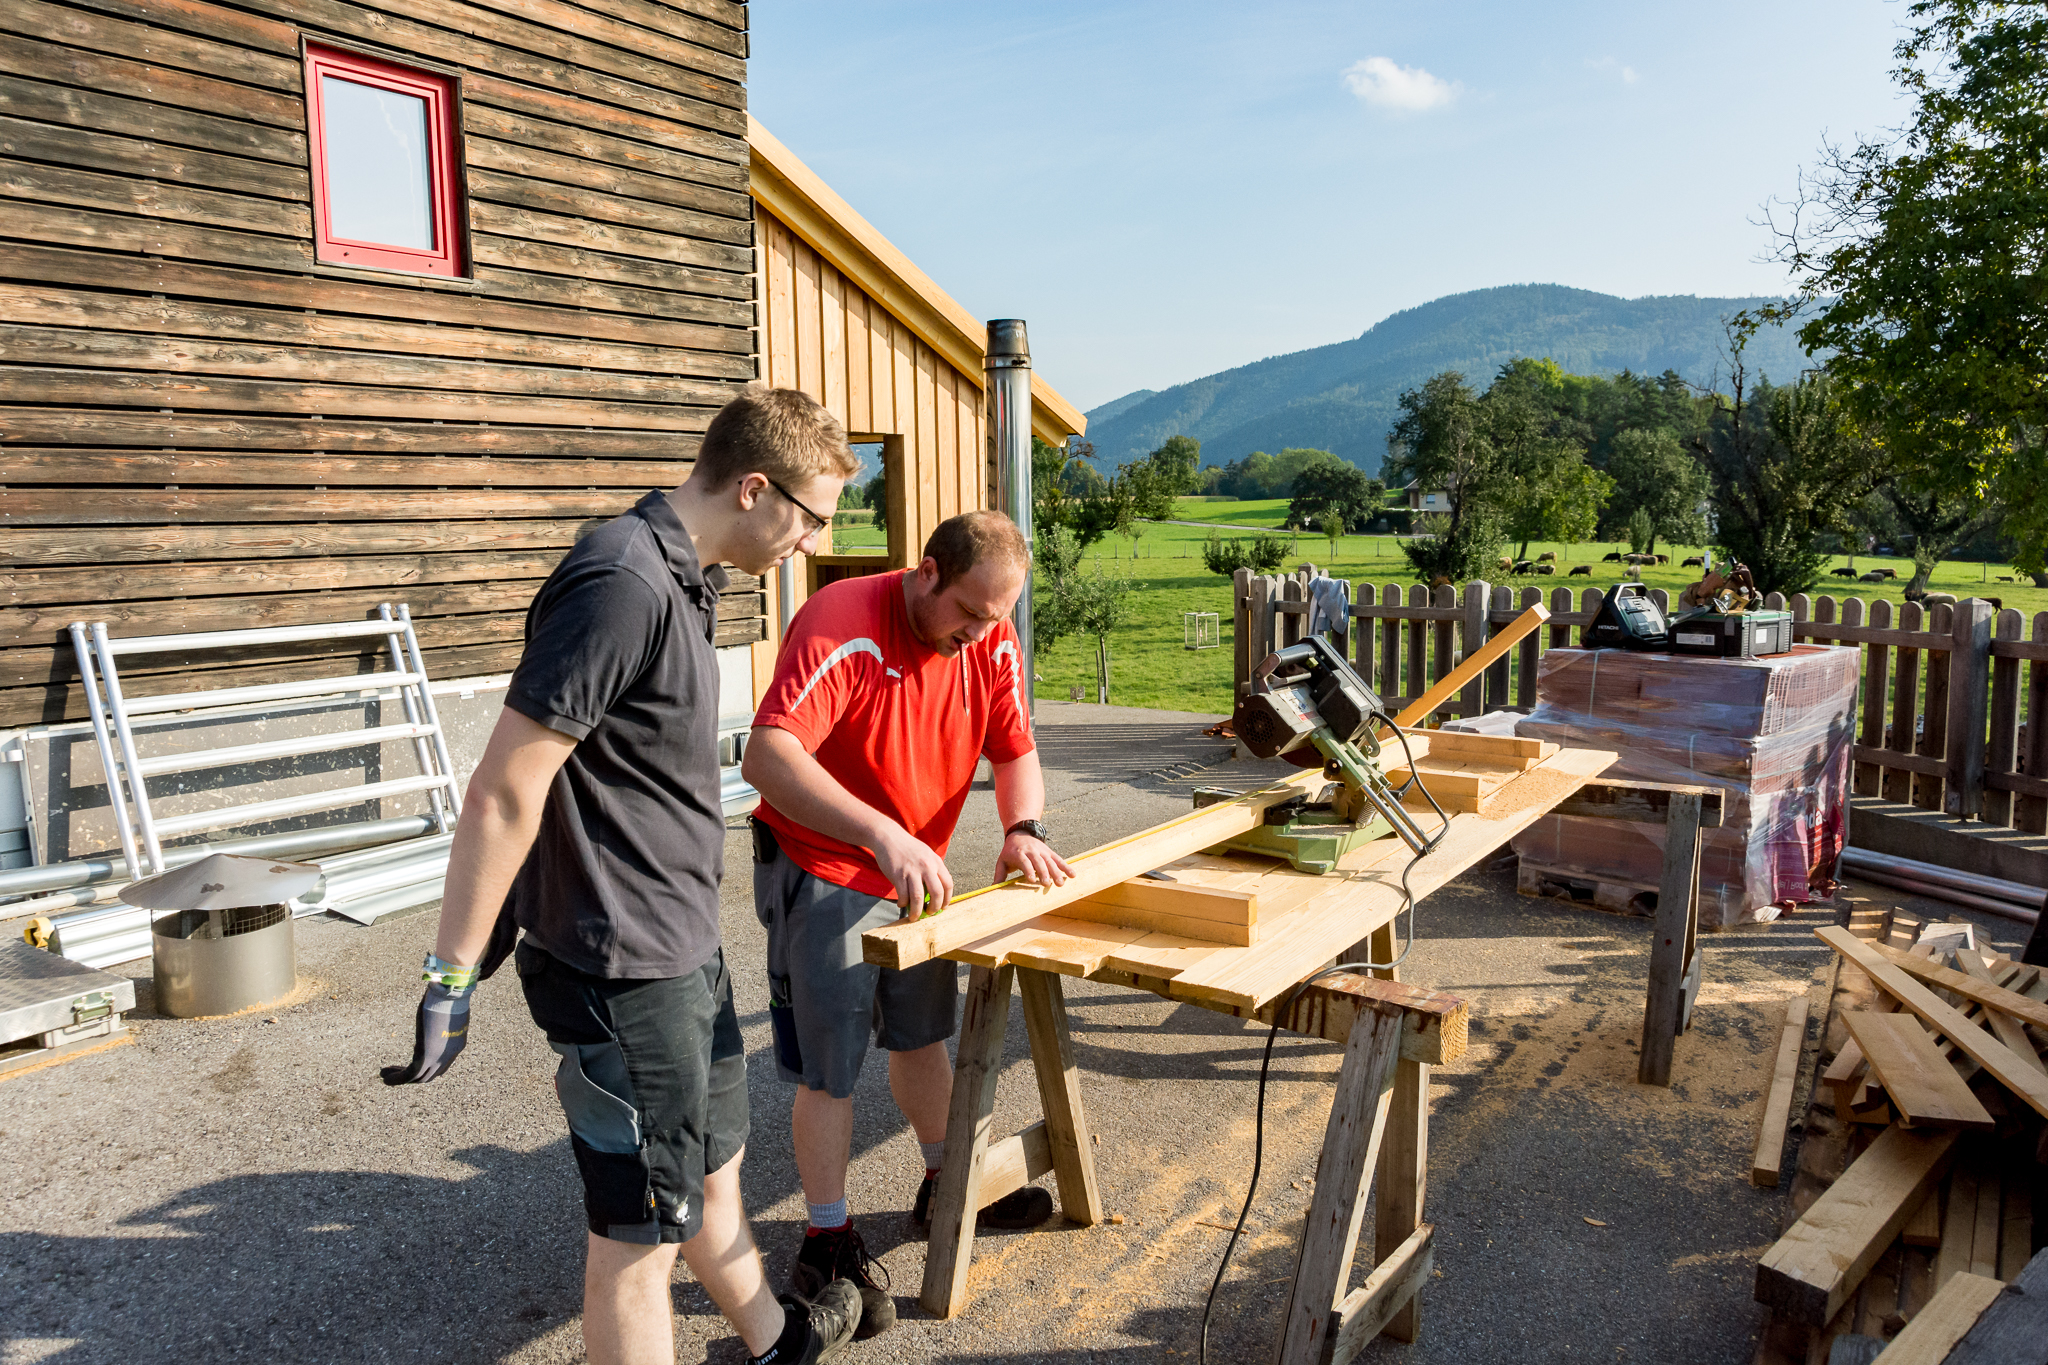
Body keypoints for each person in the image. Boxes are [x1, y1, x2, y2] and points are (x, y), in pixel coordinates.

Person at [382, 387, 865, 1365]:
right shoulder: (621, 582)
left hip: (681, 947)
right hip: (622, 968)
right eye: (811, 517)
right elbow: (505, 790)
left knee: (710, 1175)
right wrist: (451, 974)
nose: (814, 542)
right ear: (753, 488)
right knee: (637, 1240)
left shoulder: (688, 579)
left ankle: (778, 1344)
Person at [741, 510, 1075, 1339]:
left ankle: (944, 1187)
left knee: (923, 1037)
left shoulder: (990, 637)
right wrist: (881, 833)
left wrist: (1021, 827)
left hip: (914, 866)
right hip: (824, 863)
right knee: (831, 1070)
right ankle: (826, 1238)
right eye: (969, 613)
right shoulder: (844, 620)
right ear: (928, 572)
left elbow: (1015, 748)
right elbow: (768, 756)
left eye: (996, 618)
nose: (981, 634)